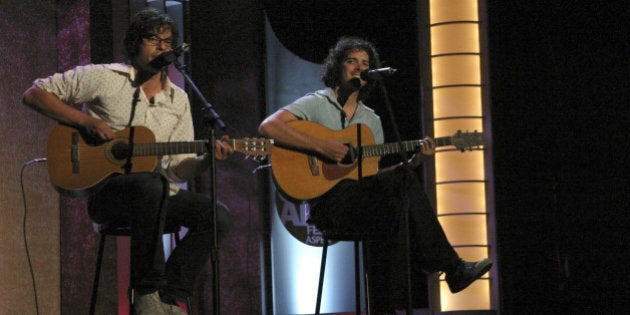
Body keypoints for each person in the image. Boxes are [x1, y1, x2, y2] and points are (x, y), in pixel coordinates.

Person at [23, 8, 233, 315]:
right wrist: (84, 121)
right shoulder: (105, 78)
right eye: (153, 40)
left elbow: (177, 168)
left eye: (167, 41)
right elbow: (35, 93)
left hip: (156, 194)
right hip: (108, 196)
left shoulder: (179, 100)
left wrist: (205, 160)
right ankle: (145, 292)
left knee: (216, 216)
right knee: (151, 184)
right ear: (134, 44)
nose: (162, 47)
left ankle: (169, 298)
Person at [258, 36, 492, 313]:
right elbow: (269, 126)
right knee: (396, 213)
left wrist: (416, 160)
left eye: (365, 63)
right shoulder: (316, 103)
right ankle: (450, 269)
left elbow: (376, 175)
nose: (359, 67)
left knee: (397, 206)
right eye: (352, 61)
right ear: (338, 66)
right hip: (327, 204)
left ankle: (394, 303)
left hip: (363, 201)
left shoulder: (371, 121)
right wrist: (322, 145)